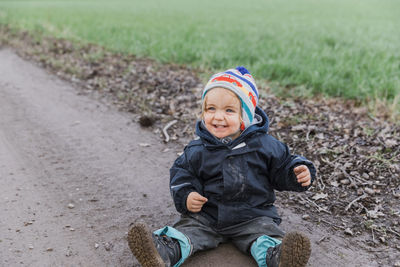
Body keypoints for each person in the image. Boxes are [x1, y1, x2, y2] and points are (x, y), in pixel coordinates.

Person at [128, 66, 316, 267]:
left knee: (265, 237)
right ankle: (162, 252)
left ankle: (279, 259)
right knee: (186, 232)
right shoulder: (198, 149)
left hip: (253, 215)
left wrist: (297, 172)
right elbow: (182, 174)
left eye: (229, 110)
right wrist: (187, 195)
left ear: (245, 116)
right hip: (208, 215)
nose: (218, 117)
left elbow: (283, 166)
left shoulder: (265, 145)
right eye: (211, 109)